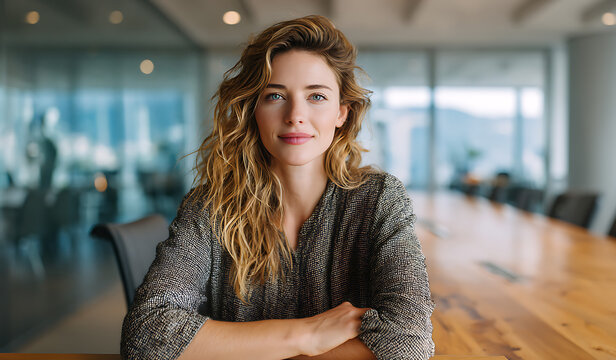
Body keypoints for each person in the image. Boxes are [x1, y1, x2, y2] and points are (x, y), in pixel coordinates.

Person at [121, 15, 434, 360]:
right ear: (253, 108)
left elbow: (410, 342)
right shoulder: (211, 206)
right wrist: (308, 335)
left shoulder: (379, 199)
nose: (295, 115)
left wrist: (234, 347)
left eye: (316, 96)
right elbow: (147, 336)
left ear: (342, 112)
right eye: (274, 96)